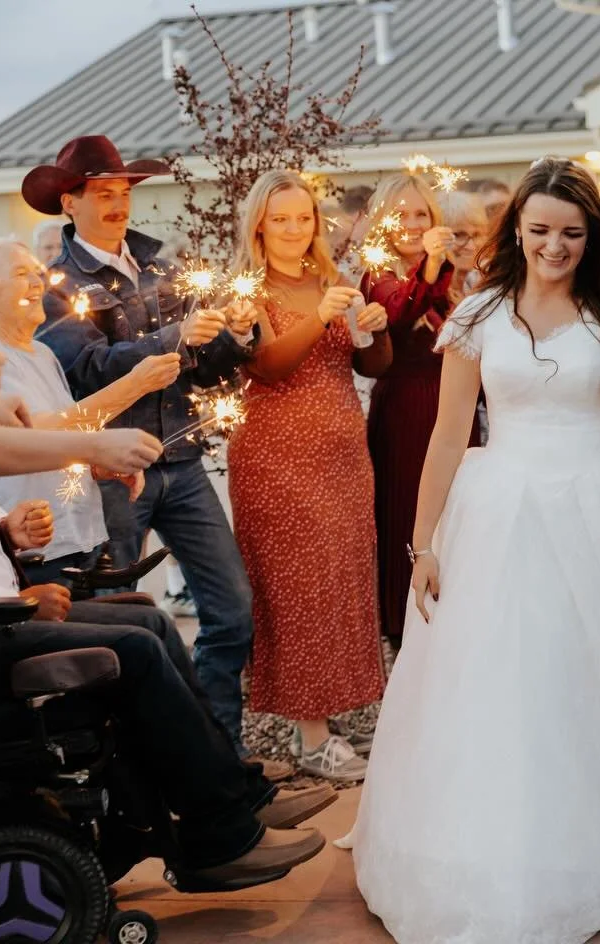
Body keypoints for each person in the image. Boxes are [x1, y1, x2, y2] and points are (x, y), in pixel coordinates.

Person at [346, 157, 600, 943]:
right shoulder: (476, 317)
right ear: (517, 232)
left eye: (571, 232)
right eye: (539, 230)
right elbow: (447, 434)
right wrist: (422, 543)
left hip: (599, 504)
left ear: (591, 236)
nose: (555, 245)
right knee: (512, 681)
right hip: (499, 509)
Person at [0, 380, 335, 887]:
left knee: (150, 620)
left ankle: (233, 800)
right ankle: (221, 837)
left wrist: (7, 528)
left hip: (2, 612)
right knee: (134, 649)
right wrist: (20, 604)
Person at [24, 136, 270, 769]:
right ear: (70, 202)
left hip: (181, 460)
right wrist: (170, 335)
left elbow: (203, 370)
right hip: (110, 471)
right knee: (122, 624)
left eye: (124, 193)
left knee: (231, 609)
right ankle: (137, 773)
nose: (117, 205)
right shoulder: (57, 286)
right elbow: (83, 371)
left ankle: (219, 757)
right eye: (103, 194)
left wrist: (235, 335)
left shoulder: (161, 267)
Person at [225, 169, 391, 782]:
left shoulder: (334, 279)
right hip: (276, 458)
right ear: (260, 226)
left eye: (305, 218)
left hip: (344, 456)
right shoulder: (246, 288)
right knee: (297, 587)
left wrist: (374, 329)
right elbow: (266, 366)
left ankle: (337, 708)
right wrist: (321, 317)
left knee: (343, 578)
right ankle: (311, 733)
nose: (296, 229)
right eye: (282, 219)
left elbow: (376, 365)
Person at [0, 237, 179, 584]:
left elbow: (67, 432)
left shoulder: (42, 353)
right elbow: (29, 434)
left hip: (78, 537)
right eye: (21, 273)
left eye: (38, 273)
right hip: (33, 550)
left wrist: (95, 464)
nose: (38, 283)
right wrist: (134, 385)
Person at [363, 177, 484, 650]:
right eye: (401, 215)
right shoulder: (380, 274)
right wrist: (432, 265)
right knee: (409, 521)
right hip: (406, 412)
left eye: (421, 215)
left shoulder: (457, 274)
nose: (412, 225)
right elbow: (398, 312)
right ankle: (406, 636)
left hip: (458, 411)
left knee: (462, 520)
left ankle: (464, 629)